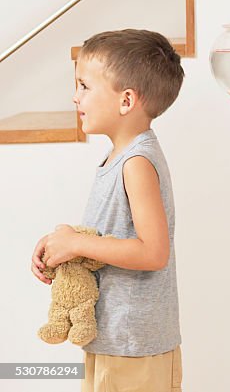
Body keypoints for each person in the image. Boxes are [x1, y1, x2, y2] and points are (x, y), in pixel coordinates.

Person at [30, 29, 186, 392]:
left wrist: (78, 246)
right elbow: (107, 236)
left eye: (84, 86)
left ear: (126, 100)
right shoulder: (118, 158)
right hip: (113, 335)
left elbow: (153, 251)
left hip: (134, 343)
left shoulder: (137, 163)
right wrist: (61, 243)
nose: (74, 97)